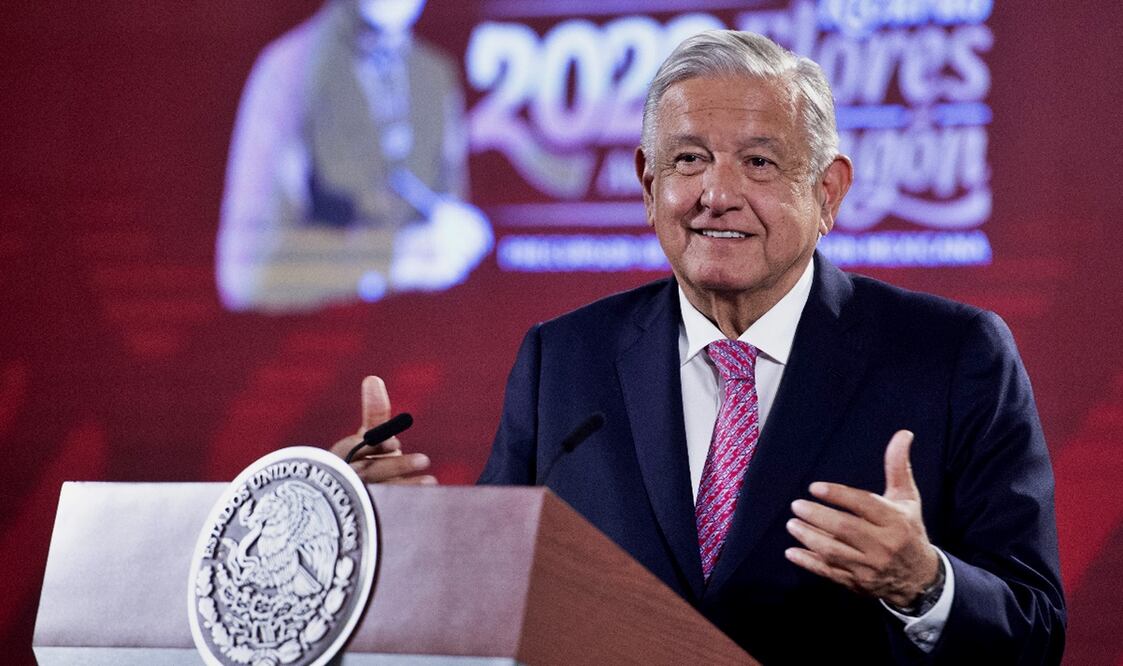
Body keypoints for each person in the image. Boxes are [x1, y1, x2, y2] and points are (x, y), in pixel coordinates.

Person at [331, 30, 1065, 664]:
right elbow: (501, 594)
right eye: (686, 160)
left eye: (759, 163)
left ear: (829, 191)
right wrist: (397, 535)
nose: (716, 192)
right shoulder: (564, 360)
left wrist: (924, 584)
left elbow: (1035, 630)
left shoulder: (950, 355)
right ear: (648, 185)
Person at [217, 0, 492, 313]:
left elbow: (448, 214)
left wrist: (459, 237)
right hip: (324, 334)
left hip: (426, 336)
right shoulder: (290, 69)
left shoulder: (433, 73)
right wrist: (396, 257)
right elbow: (247, 272)